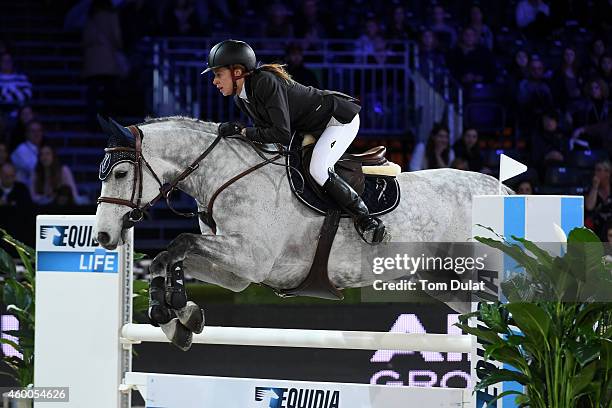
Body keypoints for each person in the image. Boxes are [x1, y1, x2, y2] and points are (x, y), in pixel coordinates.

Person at [203, 39, 389, 244]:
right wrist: (241, 133)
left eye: (218, 74)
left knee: (317, 169)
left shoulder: (264, 82)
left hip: (337, 120)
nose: (215, 81)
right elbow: (266, 134)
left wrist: (244, 131)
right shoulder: (242, 98)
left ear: (237, 71)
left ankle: (367, 219)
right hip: (310, 128)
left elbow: (280, 133)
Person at [82, 0, 123, 129]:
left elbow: (85, 39)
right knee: (109, 93)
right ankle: (107, 121)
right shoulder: (111, 16)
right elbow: (117, 37)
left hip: (92, 60)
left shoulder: (90, 17)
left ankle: (91, 121)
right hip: (108, 58)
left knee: (93, 93)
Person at [11, 120, 43, 185]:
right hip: (23, 188)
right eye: (33, 131)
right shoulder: (21, 149)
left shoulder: (42, 148)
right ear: (27, 134)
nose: (37, 134)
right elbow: (33, 168)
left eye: (39, 130)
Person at [585, 160, 612, 241]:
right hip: (596, 229)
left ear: (608, 173)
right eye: (596, 170)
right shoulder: (590, 190)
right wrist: (595, 187)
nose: (597, 173)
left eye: (600, 170)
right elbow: (589, 207)